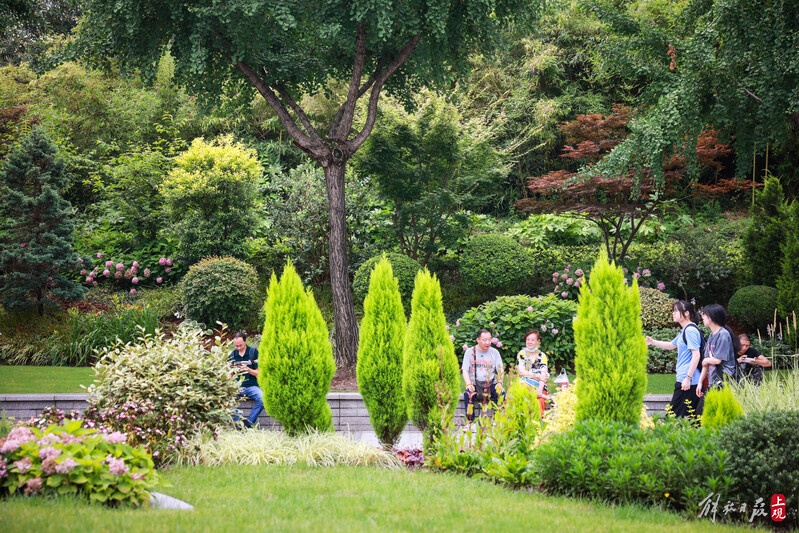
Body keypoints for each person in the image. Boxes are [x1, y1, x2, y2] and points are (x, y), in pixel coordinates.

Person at [645, 300, 703, 418]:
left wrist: (688, 378)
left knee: (673, 417)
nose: (673, 314)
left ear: (686, 313)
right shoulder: (684, 330)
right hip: (685, 380)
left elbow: (696, 355)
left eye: (676, 311)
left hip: (688, 382)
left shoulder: (690, 330)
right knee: (687, 418)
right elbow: (672, 345)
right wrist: (653, 342)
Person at [696, 304, 741, 397]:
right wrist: (700, 383)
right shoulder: (712, 335)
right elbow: (706, 364)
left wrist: (707, 360)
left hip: (724, 383)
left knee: (703, 410)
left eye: (704, 315)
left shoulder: (723, 335)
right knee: (702, 410)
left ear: (711, 318)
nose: (702, 317)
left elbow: (717, 360)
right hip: (713, 383)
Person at [462, 329, 505, 423]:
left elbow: (500, 370)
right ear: (478, 340)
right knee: (468, 395)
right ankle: (470, 422)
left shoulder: (495, 352)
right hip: (475, 384)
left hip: (491, 384)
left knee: (501, 394)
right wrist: (468, 384)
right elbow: (464, 369)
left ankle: (499, 421)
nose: (488, 342)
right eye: (484, 340)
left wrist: (500, 383)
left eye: (489, 339)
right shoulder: (470, 352)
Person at [228, 332, 264, 428]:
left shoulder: (253, 352)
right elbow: (229, 375)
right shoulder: (232, 355)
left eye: (241, 345)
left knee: (262, 399)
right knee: (225, 399)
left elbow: (259, 373)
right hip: (237, 387)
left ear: (246, 341)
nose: (238, 348)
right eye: (236, 346)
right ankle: (239, 423)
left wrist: (248, 370)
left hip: (252, 386)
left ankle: (248, 424)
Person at [517, 329, 550, 412]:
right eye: (527, 339)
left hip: (539, 385)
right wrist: (537, 375)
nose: (529, 342)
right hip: (525, 383)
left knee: (540, 401)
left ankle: (538, 423)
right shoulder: (522, 354)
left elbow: (544, 375)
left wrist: (539, 389)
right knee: (521, 392)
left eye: (533, 340)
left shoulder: (542, 356)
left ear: (538, 342)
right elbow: (522, 372)